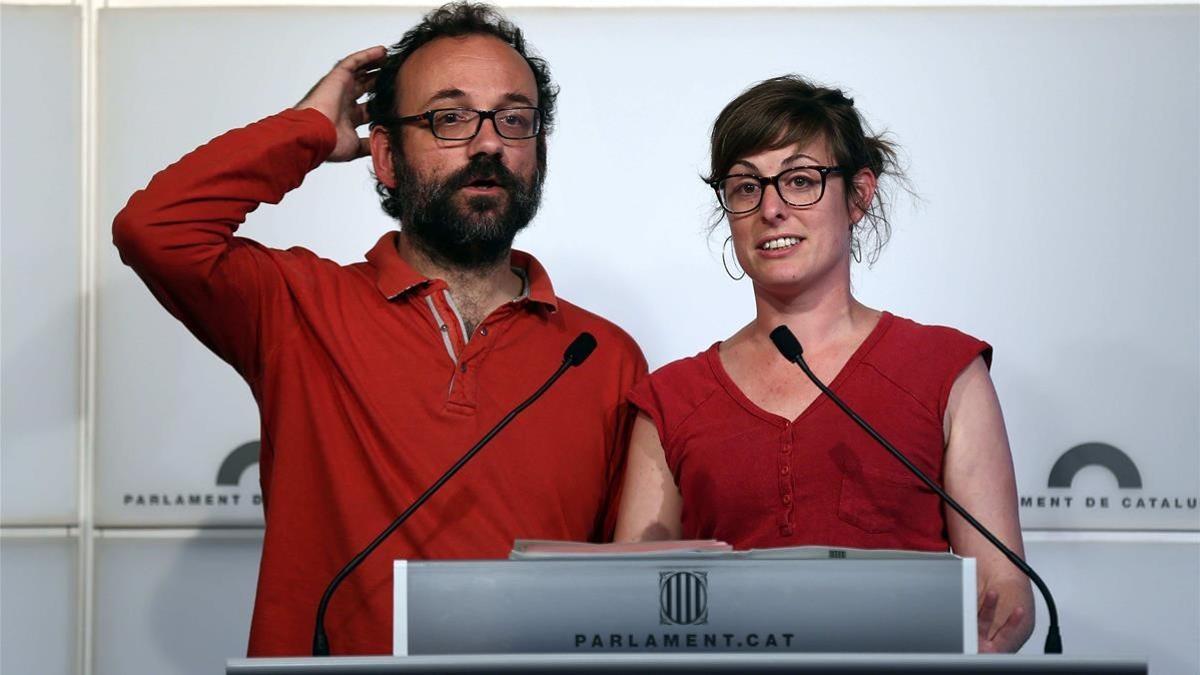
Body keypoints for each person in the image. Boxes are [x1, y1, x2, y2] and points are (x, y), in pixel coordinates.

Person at [113, 1, 645, 657]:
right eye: (450, 117)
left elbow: (627, 597)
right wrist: (306, 129)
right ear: (386, 157)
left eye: (514, 119)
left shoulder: (602, 356)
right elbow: (155, 230)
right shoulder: (297, 307)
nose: (487, 144)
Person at [614, 75, 1035, 653]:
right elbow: (632, 610)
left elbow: (1001, 587)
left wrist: (996, 623)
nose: (771, 209)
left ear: (860, 196)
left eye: (800, 181)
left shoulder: (947, 370)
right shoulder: (669, 400)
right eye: (745, 187)